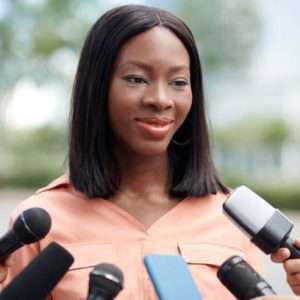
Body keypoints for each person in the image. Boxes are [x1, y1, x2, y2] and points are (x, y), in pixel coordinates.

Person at [0, 4, 298, 299]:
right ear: (97, 87)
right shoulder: (40, 222)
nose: (160, 99)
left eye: (179, 82)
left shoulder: (231, 223)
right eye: (136, 79)